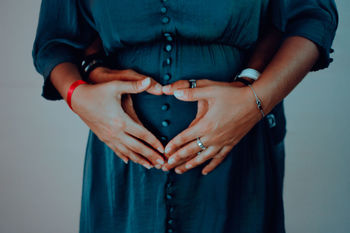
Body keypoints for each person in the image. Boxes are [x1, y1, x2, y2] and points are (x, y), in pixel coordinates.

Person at [32, 0, 338, 232]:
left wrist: (252, 102)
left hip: (238, 148)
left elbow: (311, 17)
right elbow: (55, 40)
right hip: (120, 159)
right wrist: (79, 95)